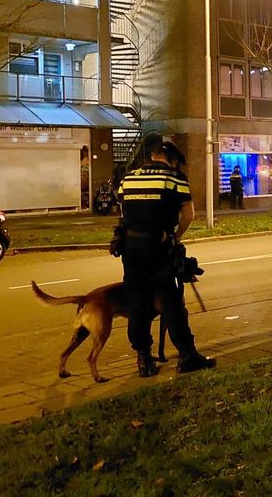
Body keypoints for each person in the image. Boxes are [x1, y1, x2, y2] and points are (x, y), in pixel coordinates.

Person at [116, 140, 215, 377]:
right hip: (158, 247)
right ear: (172, 159)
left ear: (153, 155)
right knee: (171, 302)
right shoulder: (174, 178)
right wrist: (175, 238)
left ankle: (144, 359)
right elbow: (188, 214)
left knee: (137, 302)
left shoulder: (129, 177)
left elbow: (123, 210)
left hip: (131, 248)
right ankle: (187, 355)